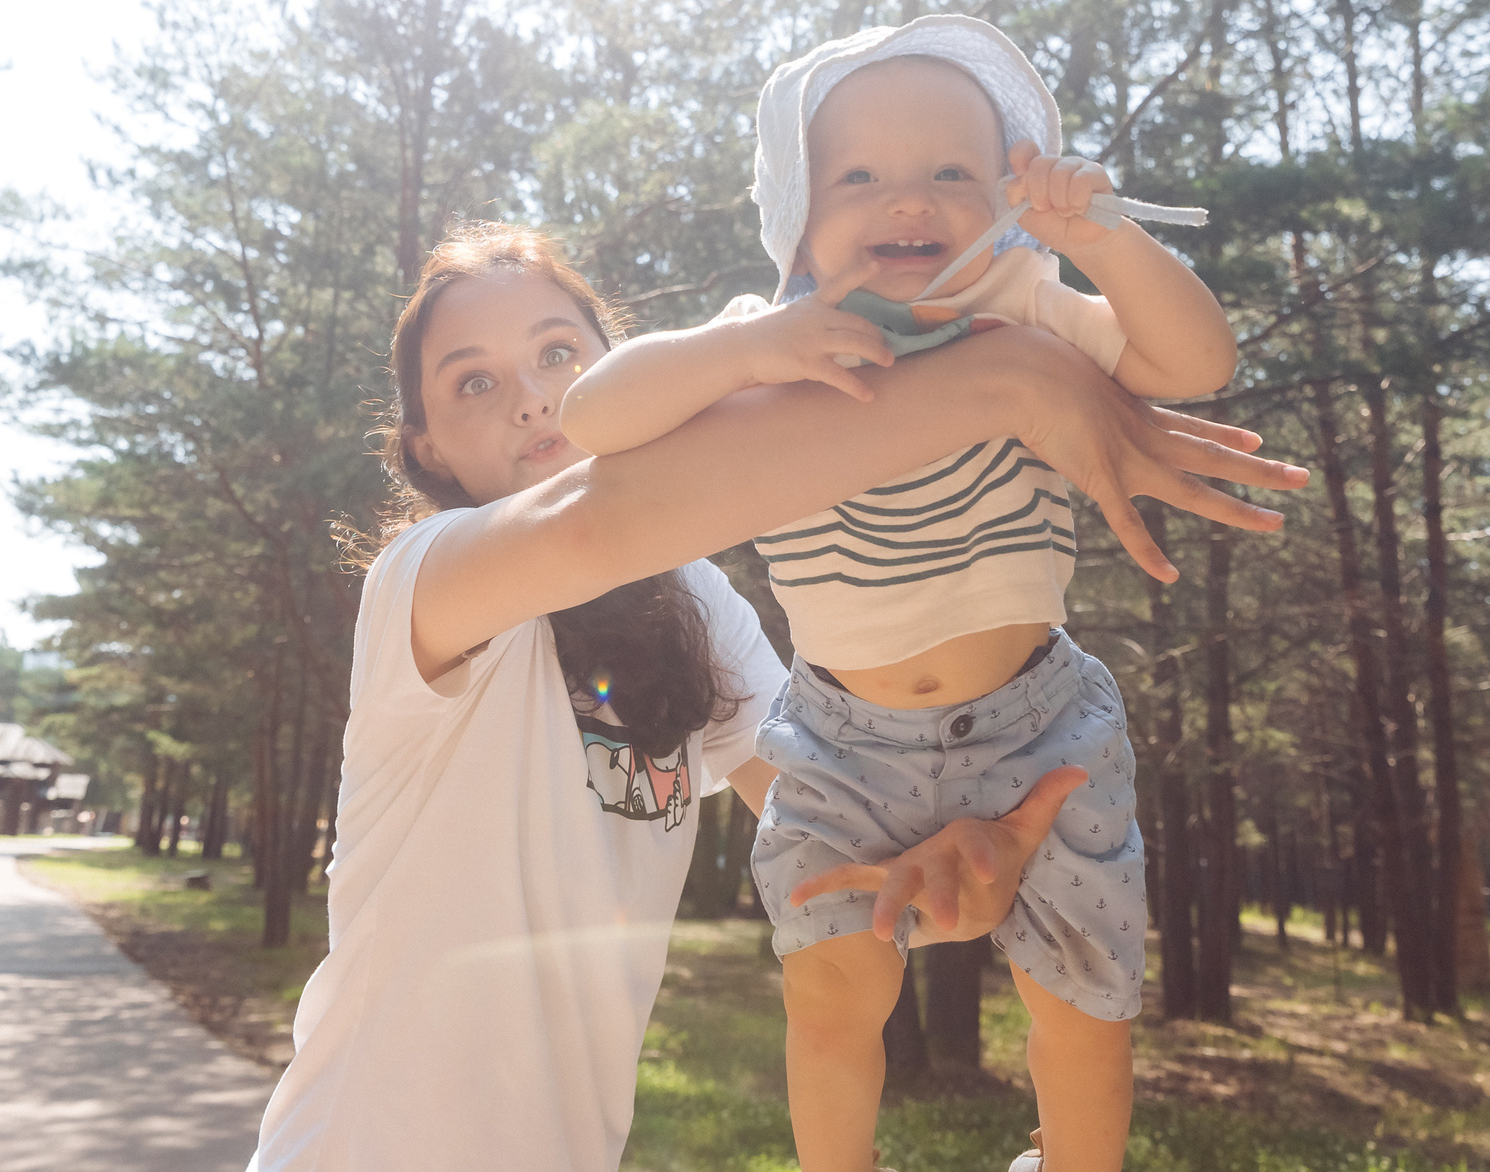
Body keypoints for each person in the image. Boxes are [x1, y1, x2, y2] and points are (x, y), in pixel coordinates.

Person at [245, 219, 1303, 1171]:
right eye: (473, 383)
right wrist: (1010, 379)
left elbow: (836, 848)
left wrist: (953, 879)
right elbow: (595, 521)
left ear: (615, 374)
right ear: (426, 454)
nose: (530, 395)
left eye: (558, 354)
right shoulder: (422, 589)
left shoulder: (697, 611)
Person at [562, 16, 1237, 1172]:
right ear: (797, 217)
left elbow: (1193, 367)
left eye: (951, 173)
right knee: (829, 994)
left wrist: (1107, 240)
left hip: (1038, 722)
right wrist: (746, 352)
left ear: (1011, 203)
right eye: (859, 175)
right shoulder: (766, 338)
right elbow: (592, 418)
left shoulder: (1024, 302)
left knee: (1083, 1001)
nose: (907, 199)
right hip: (838, 740)